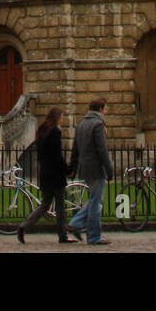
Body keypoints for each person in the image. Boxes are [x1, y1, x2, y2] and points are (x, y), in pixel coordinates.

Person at [17, 107, 79, 244]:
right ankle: (62, 235)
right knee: (60, 207)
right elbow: (57, 156)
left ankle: (24, 226)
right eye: (61, 116)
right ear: (57, 117)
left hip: (45, 172)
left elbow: (42, 155)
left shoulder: (42, 130)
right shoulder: (55, 131)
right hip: (55, 174)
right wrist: (67, 170)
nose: (62, 119)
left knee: (45, 204)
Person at [67, 99, 114, 246]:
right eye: (105, 109)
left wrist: (73, 168)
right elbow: (102, 150)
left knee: (95, 199)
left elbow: (75, 149)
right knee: (96, 203)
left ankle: (77, 223)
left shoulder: (81, 124)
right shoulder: (97, 124)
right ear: (101, 109)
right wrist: (109, 168)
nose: (105, 112)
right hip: (95, 169)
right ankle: (93, 235)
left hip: (84, 168)